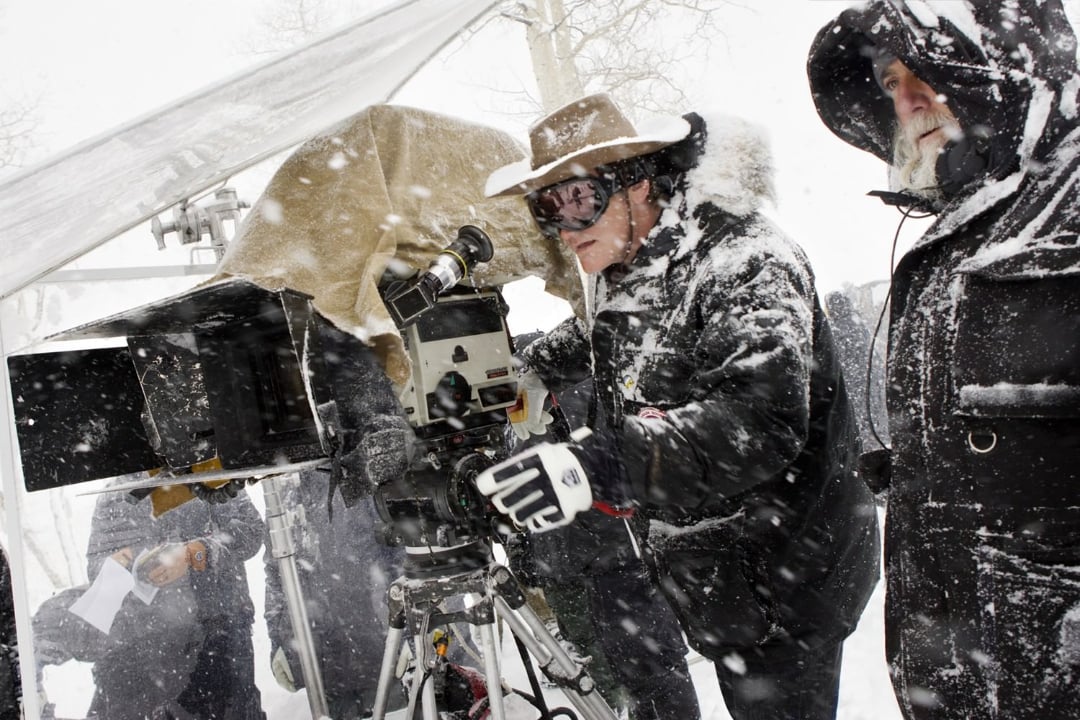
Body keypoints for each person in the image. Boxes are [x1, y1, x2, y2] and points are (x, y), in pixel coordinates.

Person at [475, 94, 881, 720]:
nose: (567, 227)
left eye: (579, 199)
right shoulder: (630, 262)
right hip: (716, 570)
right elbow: (609, 335)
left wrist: (601, 464)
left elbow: (757, 421)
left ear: (636, 183)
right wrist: (523, 373)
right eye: (546, 209)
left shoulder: (745, 260)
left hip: (789, 569)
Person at [807, 2, 1080, 718]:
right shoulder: (947, 242)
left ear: (1004, 57)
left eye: (929, 67)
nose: (907, 97)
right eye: (892, 78)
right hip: (959, 685)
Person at [507, 362, 701, 720]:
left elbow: (634, 448)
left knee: (654, 672)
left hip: (618, 560)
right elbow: (509, 483)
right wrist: (519, 545)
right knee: (592, 675)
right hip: (561, 566)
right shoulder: (505, 394)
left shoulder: (581, 375)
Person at [83, 483, 267, 720]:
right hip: (147, 650)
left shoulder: (209, 470)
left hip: (220, 633)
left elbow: (250, 529)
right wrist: (121, 565)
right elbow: (96, 568)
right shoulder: (117, 490)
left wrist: (197, 552)